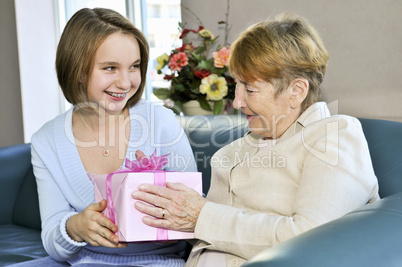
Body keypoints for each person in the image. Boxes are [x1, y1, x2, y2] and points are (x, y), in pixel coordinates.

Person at [131, 12, 380, 266]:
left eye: (250, 89)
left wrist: (200, 216)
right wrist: (165, 211)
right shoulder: (232, 153)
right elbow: (212, 232)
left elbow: (312, 239)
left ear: (297, 91)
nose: (237, 102)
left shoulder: (333, 135)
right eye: (237, 85)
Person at [23, 7, 197, 267]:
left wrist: (170, 216)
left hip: (159, 261)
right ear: (78, 70)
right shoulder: (46, 141)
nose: (125, 83)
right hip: (84, 262)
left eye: (134, 67)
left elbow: (199, 220)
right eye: (110, 68)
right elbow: (52, 241)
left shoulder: (160, 122)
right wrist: (74, 227)